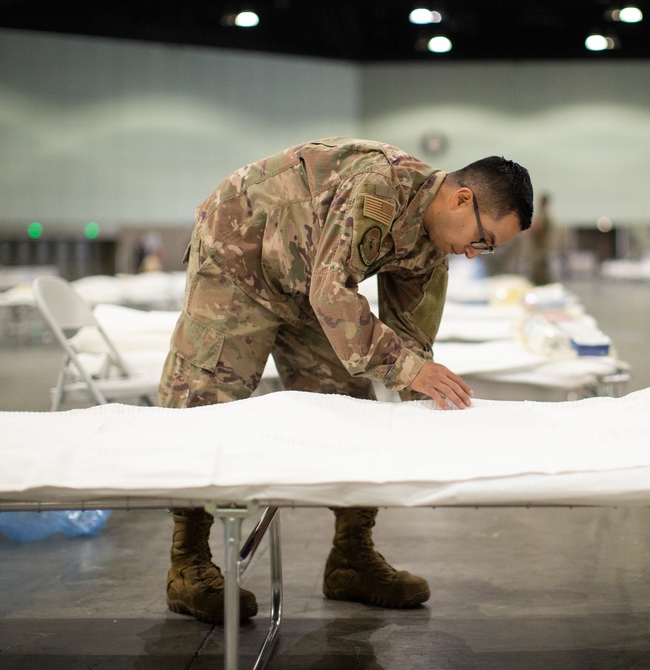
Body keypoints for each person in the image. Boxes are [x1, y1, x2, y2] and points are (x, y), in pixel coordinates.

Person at [158, 137, 534, 624]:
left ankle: (351, 558)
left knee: (349, 410)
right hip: (241, 254)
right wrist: (407, 370)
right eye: (482, 240)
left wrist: (426, 405)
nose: (473, 255)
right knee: (204, 404)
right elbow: (332, 291)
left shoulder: (434, 244)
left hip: (306, 282)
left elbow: (412, 339)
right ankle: (187, 565)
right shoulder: (380, 186)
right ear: (462, 199)